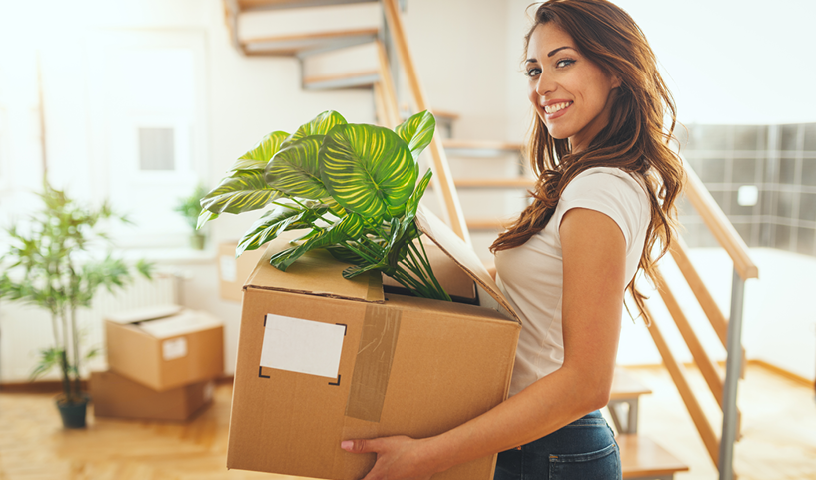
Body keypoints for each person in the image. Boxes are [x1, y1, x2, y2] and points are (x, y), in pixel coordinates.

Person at [341, 0, 684, 478]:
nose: (542, 87)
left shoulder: (598, 192)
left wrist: (425, 456)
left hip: (549, 450)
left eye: (564, 62)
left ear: (615, 71)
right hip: (537, 441)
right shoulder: (588, 180)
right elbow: (531, 294)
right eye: (534, 70)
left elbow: (587, 384)